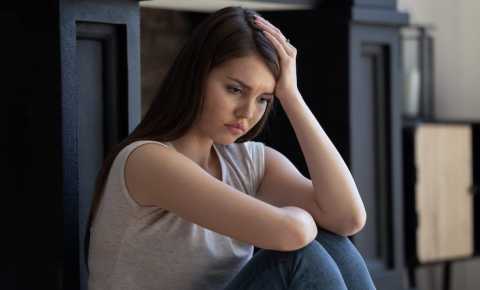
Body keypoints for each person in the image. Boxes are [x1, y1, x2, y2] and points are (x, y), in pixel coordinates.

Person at [85, 6, 376, 290]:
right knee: (301, 255)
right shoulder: (146, 161)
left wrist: (291, 96)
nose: (247, 112)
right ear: (196, 76)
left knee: (332, 241)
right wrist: (301, 220)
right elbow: (293, 232)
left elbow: (348, 218)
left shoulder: (248, 162)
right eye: (235, 89)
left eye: (264, 98)